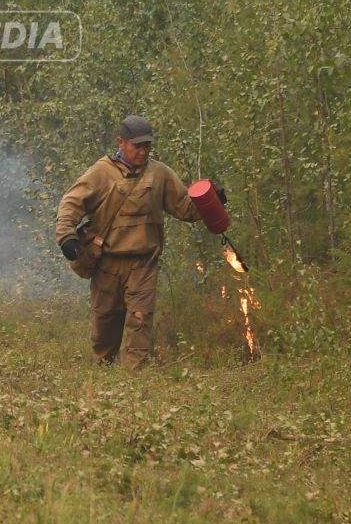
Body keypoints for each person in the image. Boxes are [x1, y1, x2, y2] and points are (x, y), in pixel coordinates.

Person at [53, 115, 224, 368]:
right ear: (121, 142)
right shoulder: (101, 172)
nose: (143, 151)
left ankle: (135, 382)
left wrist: (211, 202)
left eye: (148, 146)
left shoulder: (160, 174)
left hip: (144, 263)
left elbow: (184, 208)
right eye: (137, 146)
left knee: (140, 321)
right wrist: (67, 236)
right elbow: (71, 203)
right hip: (108, 263)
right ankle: (104, 375)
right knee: (105, 326)